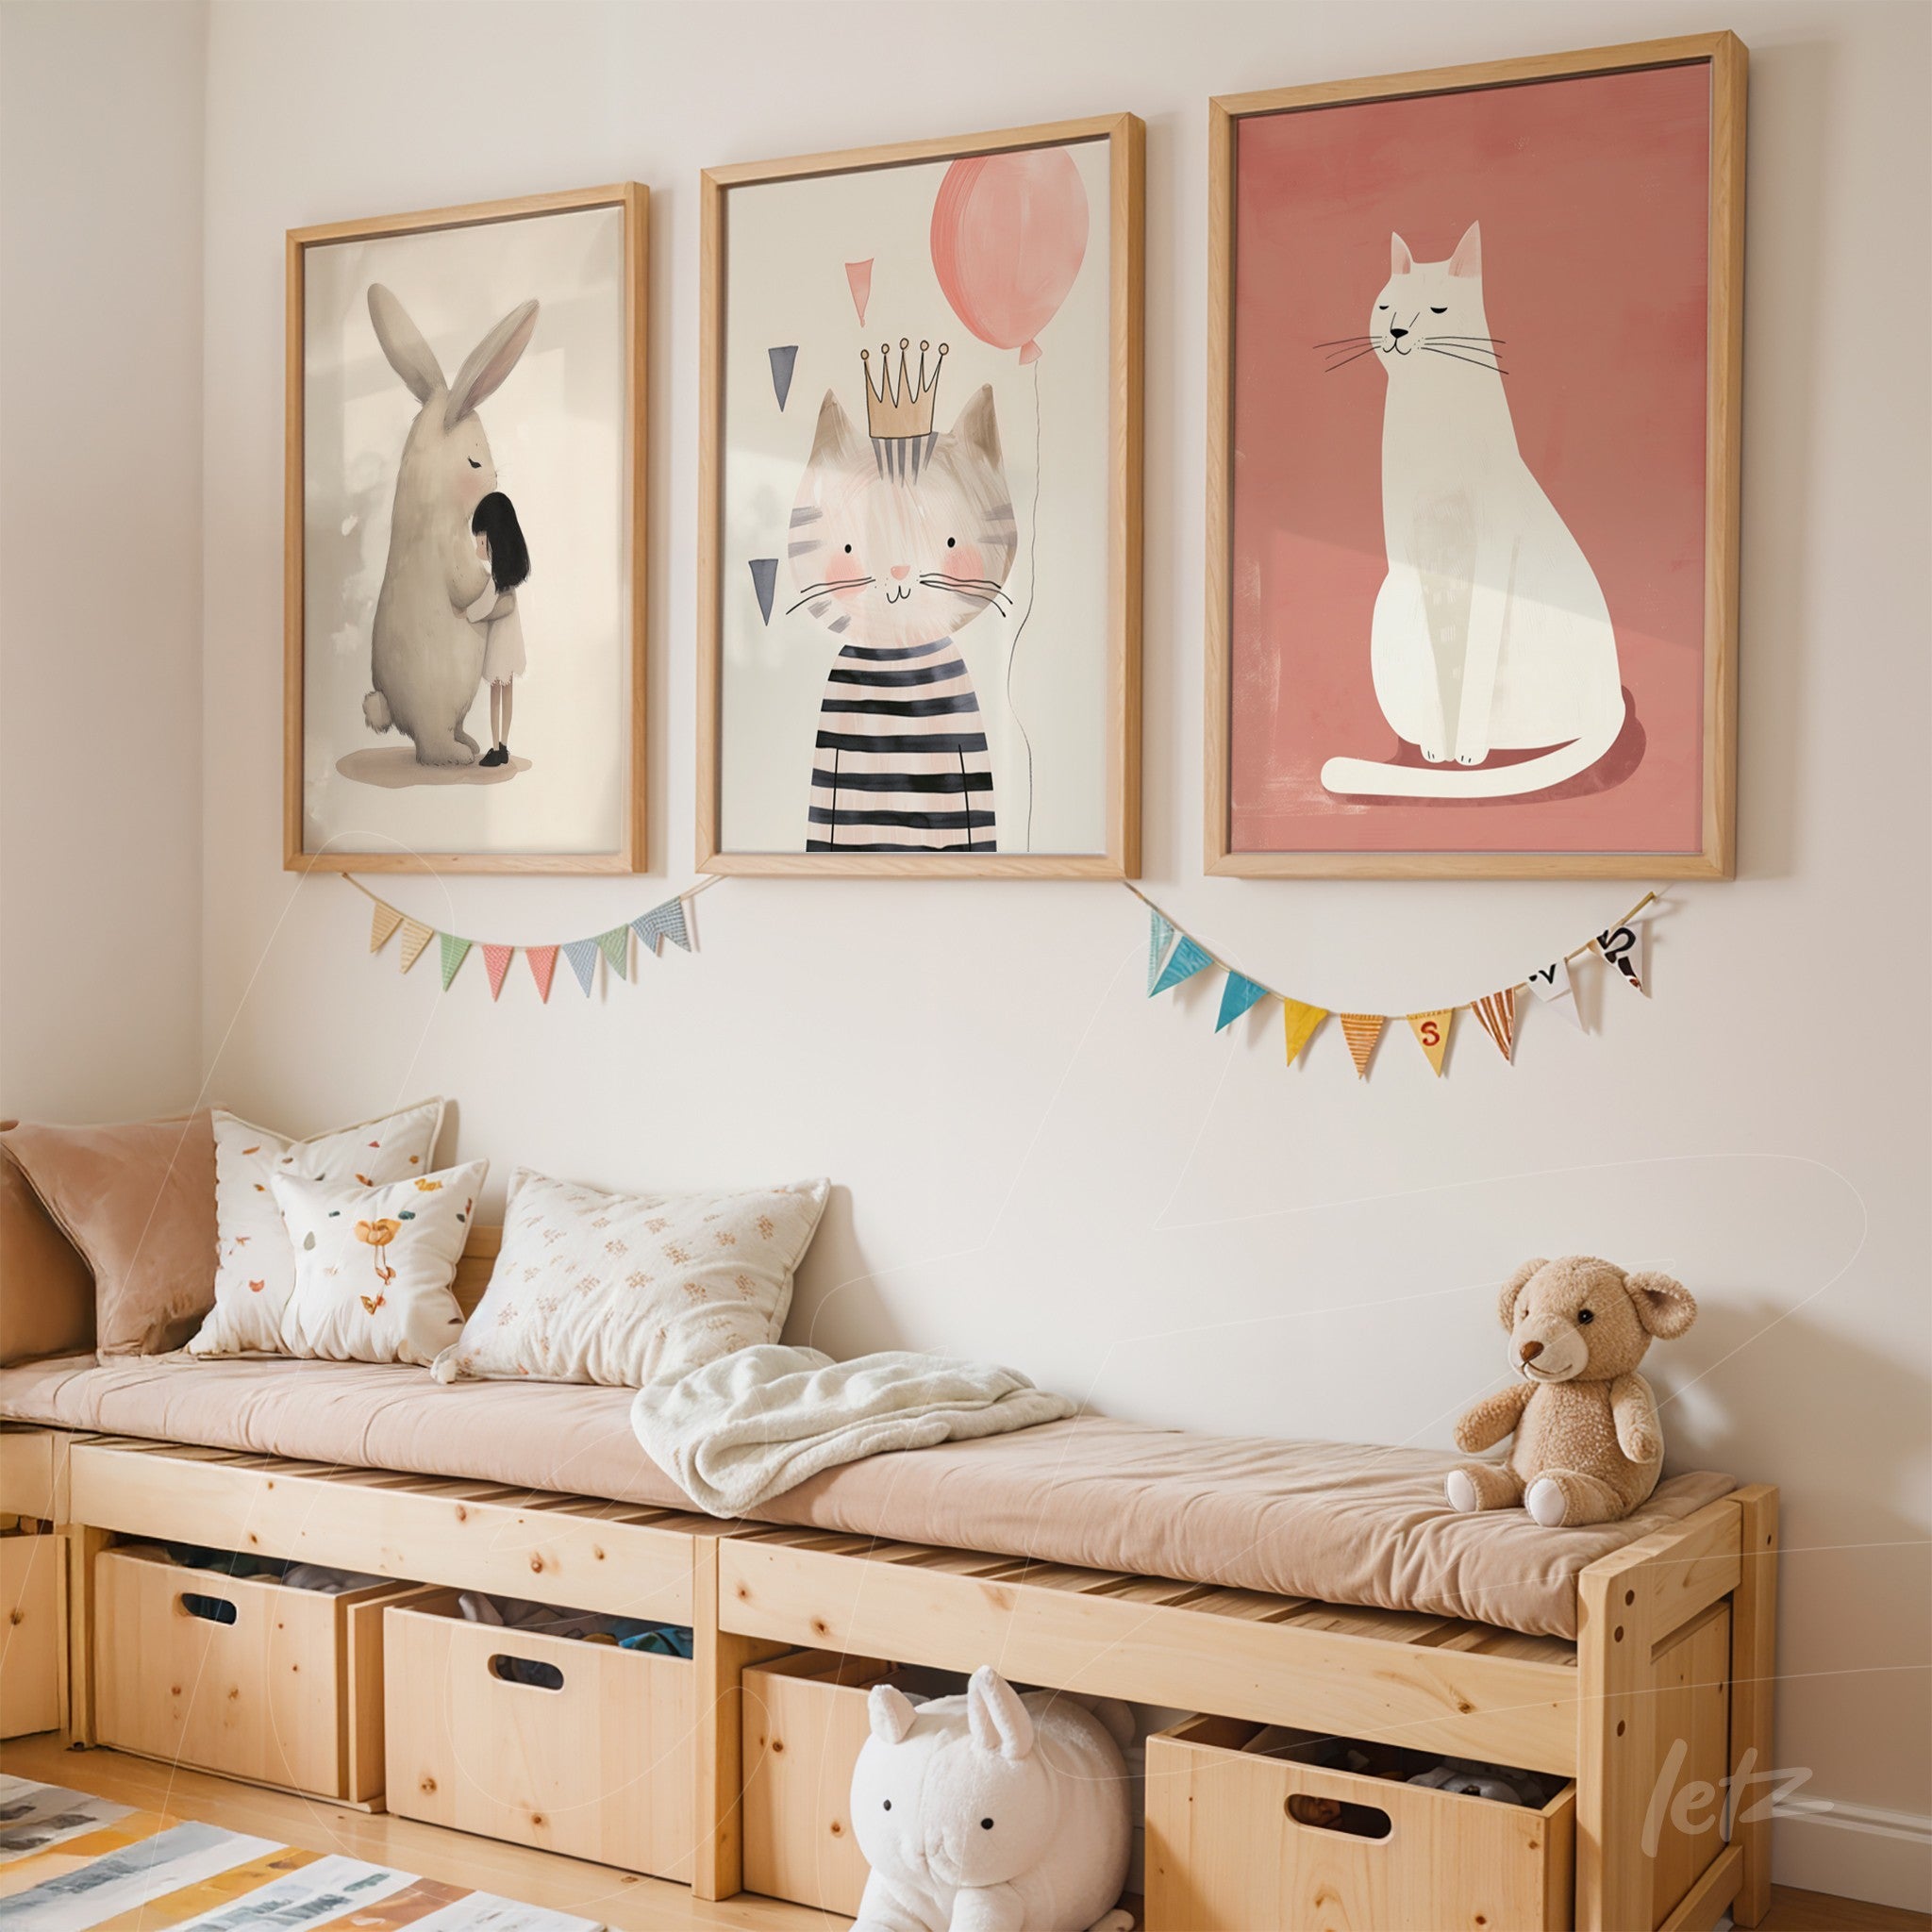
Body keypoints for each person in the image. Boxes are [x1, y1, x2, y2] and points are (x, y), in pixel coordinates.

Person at [468, 491, 529, 767]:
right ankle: (503, 744)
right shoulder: (508, 578)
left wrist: (467, 614)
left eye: (481, 540)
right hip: (512, 639)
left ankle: (496, 748)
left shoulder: (495, 580)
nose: (478, 547)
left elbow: (482, 608)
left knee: (496, 692)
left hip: (500, 642)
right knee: (507, 690)